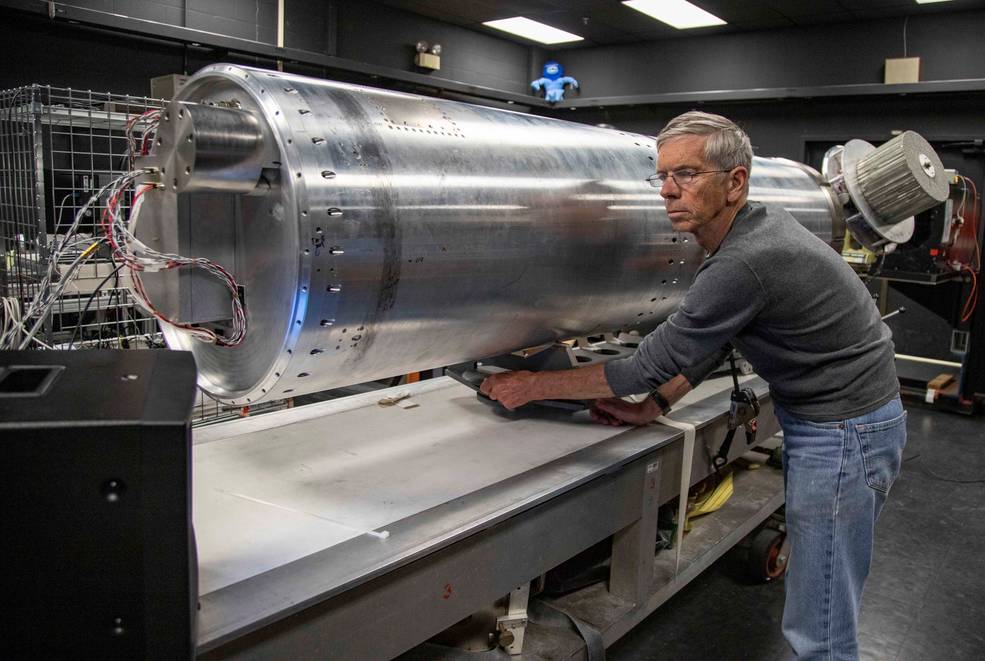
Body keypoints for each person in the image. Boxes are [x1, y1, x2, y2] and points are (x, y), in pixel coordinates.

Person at [480, 111, 907, 660]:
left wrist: (529, 388)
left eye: (686, 174)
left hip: (845, 434)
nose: (666, 190)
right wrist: (654, 406)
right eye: (660, 176)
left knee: (819, 621)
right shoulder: (751, 232)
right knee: (821, 604)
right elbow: (715, 340)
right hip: (840, 420)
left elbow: (644, 365)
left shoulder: (744, 260)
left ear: (736, 182)